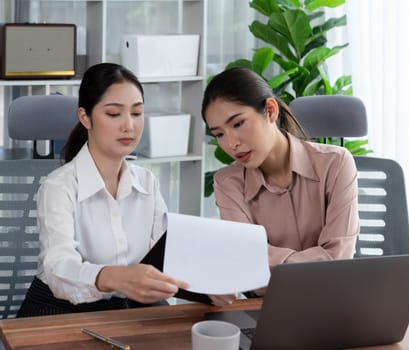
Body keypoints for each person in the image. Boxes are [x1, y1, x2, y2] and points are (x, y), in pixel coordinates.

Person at [17, 63, 233, 317]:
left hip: (128, 311)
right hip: (61, 312)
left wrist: (205, 285)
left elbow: (167, 259)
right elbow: (58, 269)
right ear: (85, 117)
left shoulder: (147, 183)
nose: (129, 126)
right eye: (113, 114)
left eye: (137, 113)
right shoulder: (58, 186)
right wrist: (114, 277)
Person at [202, 67, 360, 281]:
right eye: (219, 134)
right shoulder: (228, 184)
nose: (232, 143)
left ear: (270, 110)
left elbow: (339, 259)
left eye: (238, 124)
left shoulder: (337, 163)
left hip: (334, 298)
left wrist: (268, 263)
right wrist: (319, 261)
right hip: (266, 305)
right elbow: (247, 267)